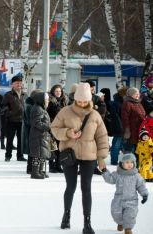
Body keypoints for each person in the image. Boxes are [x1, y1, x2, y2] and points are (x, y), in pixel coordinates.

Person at [50, 82, 109, 234]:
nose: (82, 103)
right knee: (71, 186)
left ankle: (87, 222)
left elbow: (102, 137)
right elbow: (54, 129)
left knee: (86, 188)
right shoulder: (65, 111)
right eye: (79, 100)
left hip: (89, 156)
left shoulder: (95, 115)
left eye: (85, 101)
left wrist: (101, 158)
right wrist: (68, 133)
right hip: (69, 153)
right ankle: (66, 215)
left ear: (89, 99)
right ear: (75, 99)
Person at [102, 153, 149, 234]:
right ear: (121, 163)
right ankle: (120, 223)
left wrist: (144, 194)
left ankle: (128, 228)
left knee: (130, 215)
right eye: (127, 162)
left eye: (131, 162)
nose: (129, 164)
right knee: (115, 213)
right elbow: (110, 179)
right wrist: (105, 171)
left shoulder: (136, 176)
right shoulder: (117, 174)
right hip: (118, 200)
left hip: (132, 201)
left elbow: (141, 185)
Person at [2, 74, 26, 162]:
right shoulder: (8, 95)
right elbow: (4, 107)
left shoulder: (24, 94)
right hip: (11, 120)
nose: (19, 85)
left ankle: (20, 156)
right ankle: (8, 155)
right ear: (12, 84)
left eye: (20, 83)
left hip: (21, 120)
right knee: (10, 139)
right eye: (17, 83)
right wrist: (10, 113)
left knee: (21, 139)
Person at [29, 91, 51, 179]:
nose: (48, 101)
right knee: (37, 154)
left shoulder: (41, 108)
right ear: (42, 100)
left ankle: (40, 171)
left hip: (42, 135)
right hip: (38, 135)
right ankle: (35, 172)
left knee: (42, 154)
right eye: (46, 100)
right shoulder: (37, 108)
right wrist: (48, 127)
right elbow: (36, 122)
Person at [47, 84, 68, 173]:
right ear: (53, 92)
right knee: (52, 146)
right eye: (56, 91)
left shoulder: (64, 101)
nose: (58, 93)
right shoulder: (50, 101)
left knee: (60, 147)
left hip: (62, 127)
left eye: (59, 91)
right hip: (53, 126)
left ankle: (58, 165)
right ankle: (52, 166)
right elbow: (47, 114)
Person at [121, 87, 146, 155]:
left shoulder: (138, 102)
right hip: (131, 130)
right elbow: (125, 118)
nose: (138, 95)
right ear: (130, 95)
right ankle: (128, 164)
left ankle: (136, 164)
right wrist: (127, 129)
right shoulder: (127, 103)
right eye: (135, 94)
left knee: (137, 150)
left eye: (138, 94)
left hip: (139, 129)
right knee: (130, 150)